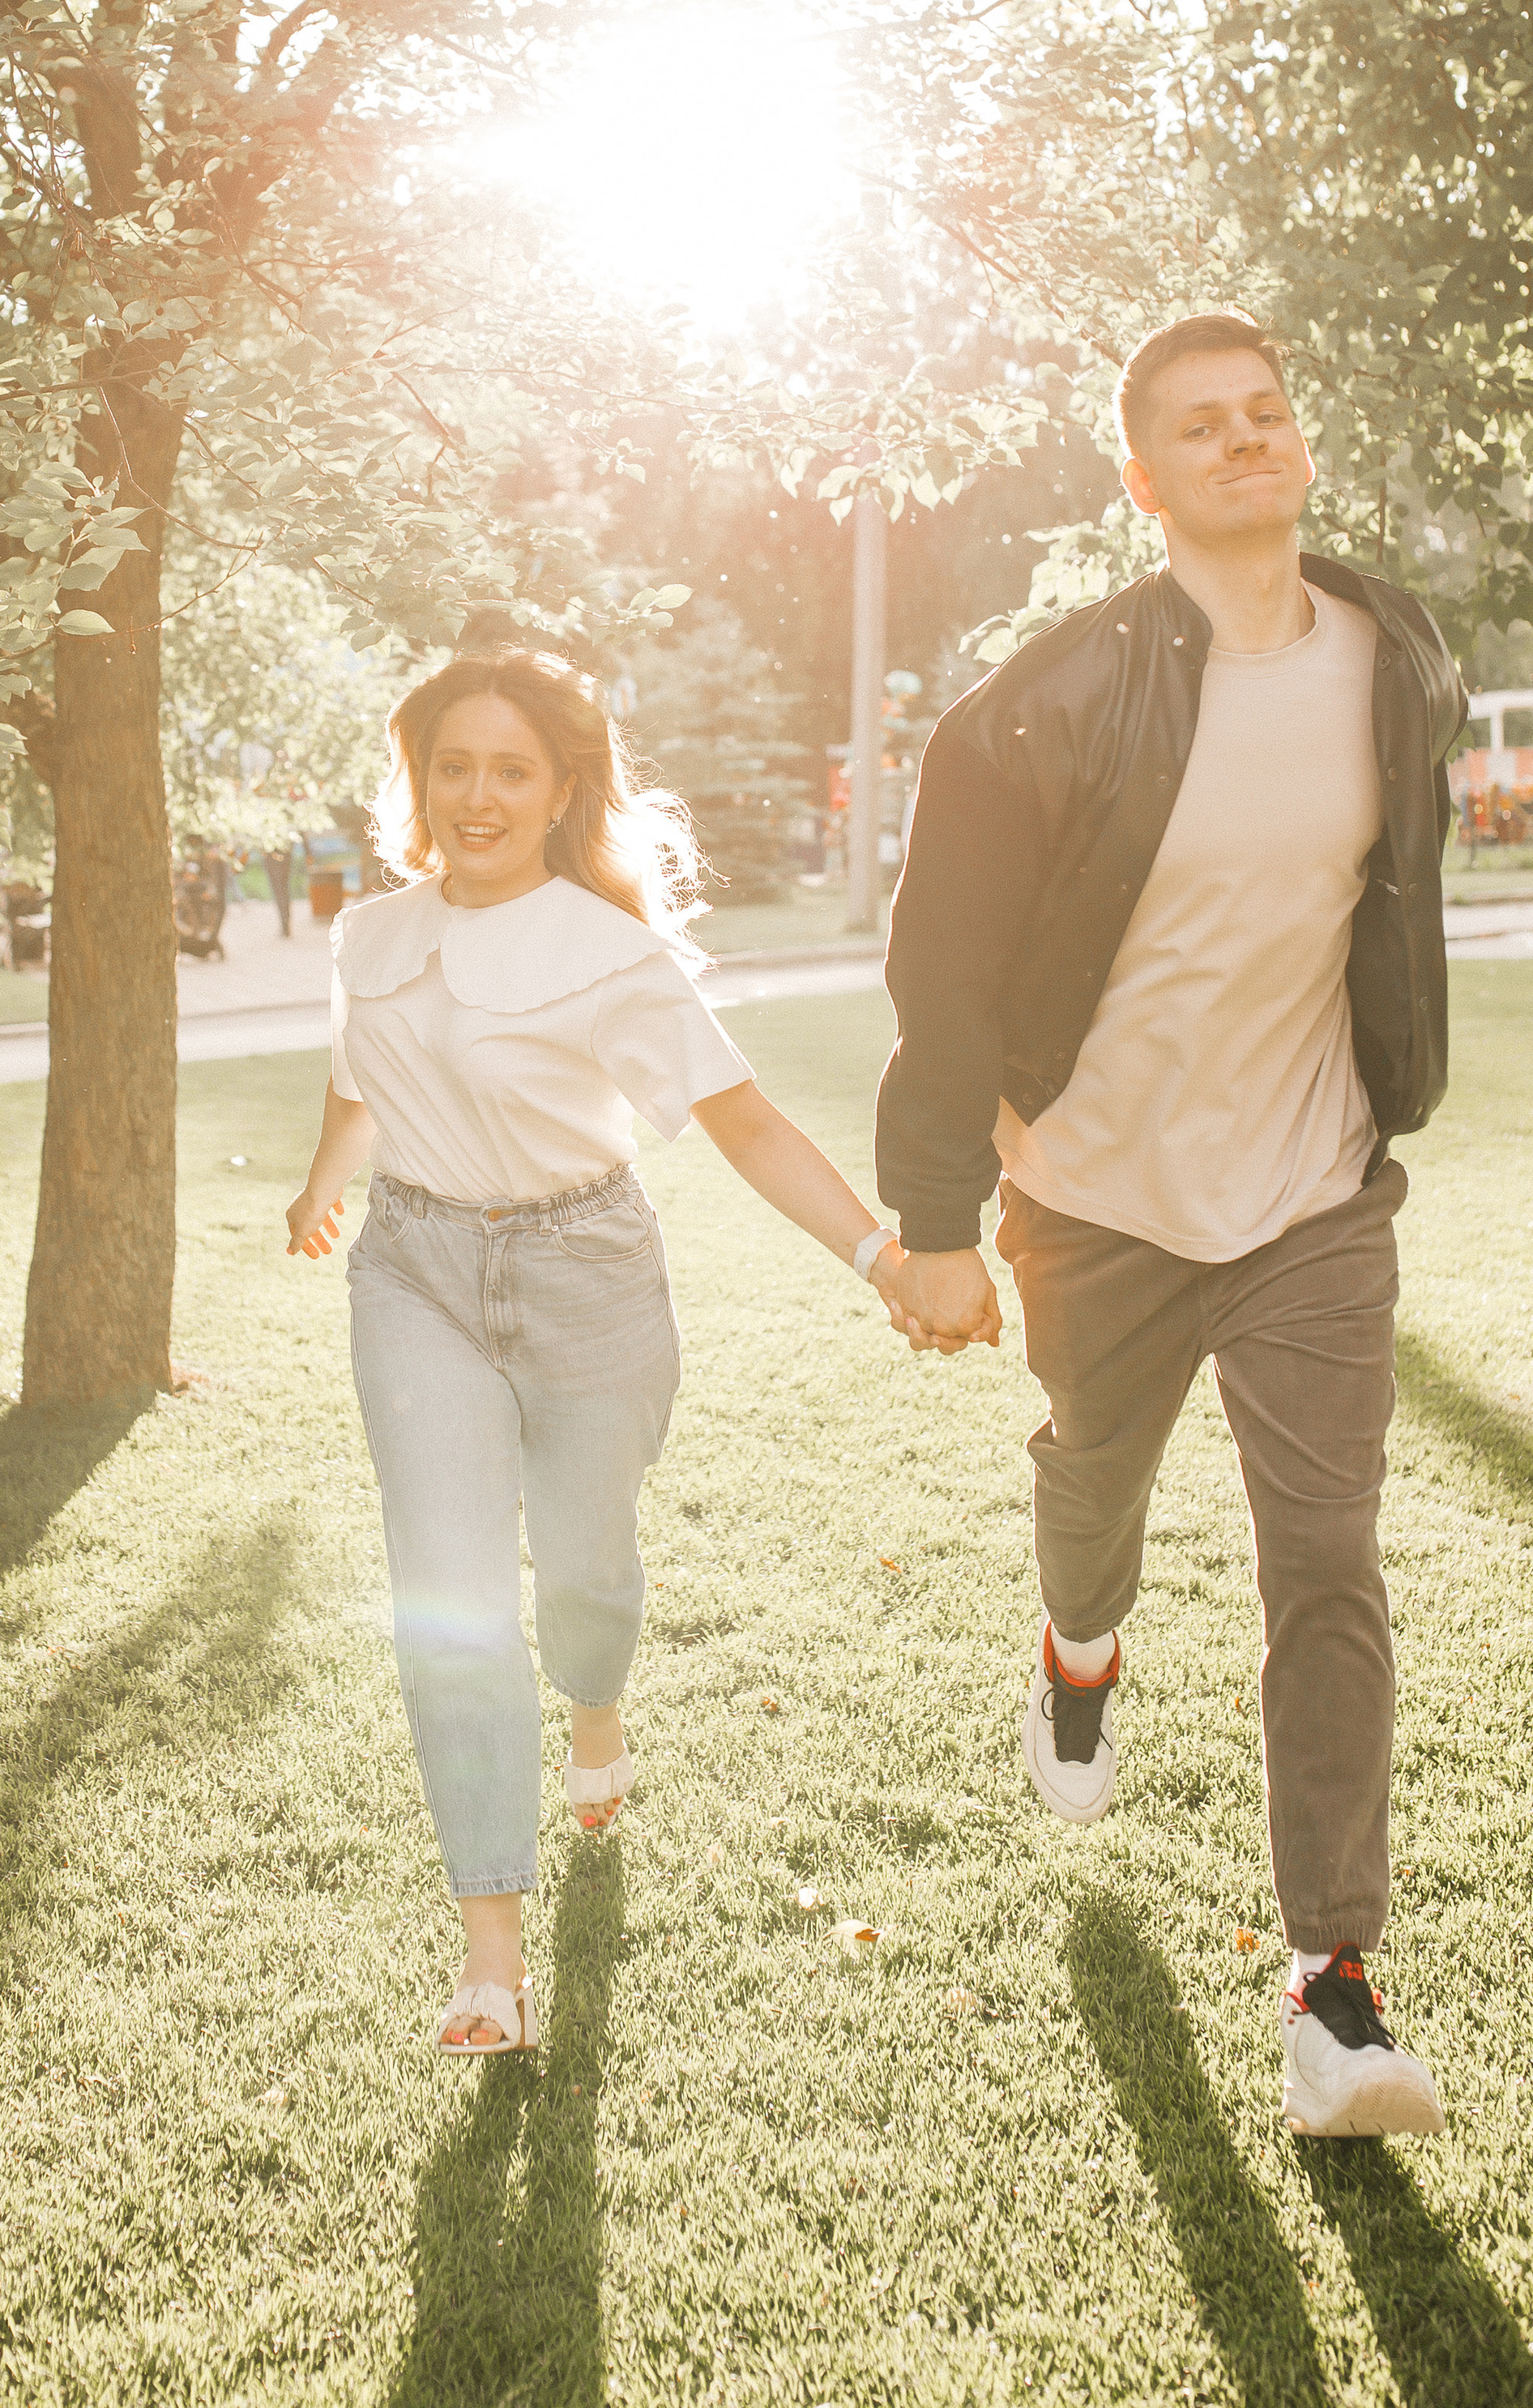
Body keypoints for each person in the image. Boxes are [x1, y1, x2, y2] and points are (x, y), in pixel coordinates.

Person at [875, 313, 1465, 2141]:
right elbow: (943, 970)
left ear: (1299, 446)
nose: (1242, 442)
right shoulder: (1040, 703)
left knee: (1325, 1559)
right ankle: (1074, 1655)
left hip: (1309, 1189)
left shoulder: (1396, 655)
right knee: (1090, 1486)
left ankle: (1332, 1995)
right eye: (1197, 429)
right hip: (1096, 1194)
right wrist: (934, 1216)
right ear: (1139, 485)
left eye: (1264, 414)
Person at [285, 650, 912, 2056]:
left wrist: (876, 1257)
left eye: (512, 769)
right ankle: (491, 1961)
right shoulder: (370, 935)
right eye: (455, 765)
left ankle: (599, 1709)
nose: (479, 794)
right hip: (417, 1276)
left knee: (582, 1573)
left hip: (587, 1275)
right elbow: (359, 1078)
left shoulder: (609, 954)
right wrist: (325, 1180)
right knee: (447, 1594)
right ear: (421, 780)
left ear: (562, 789)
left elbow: (748, 1124)